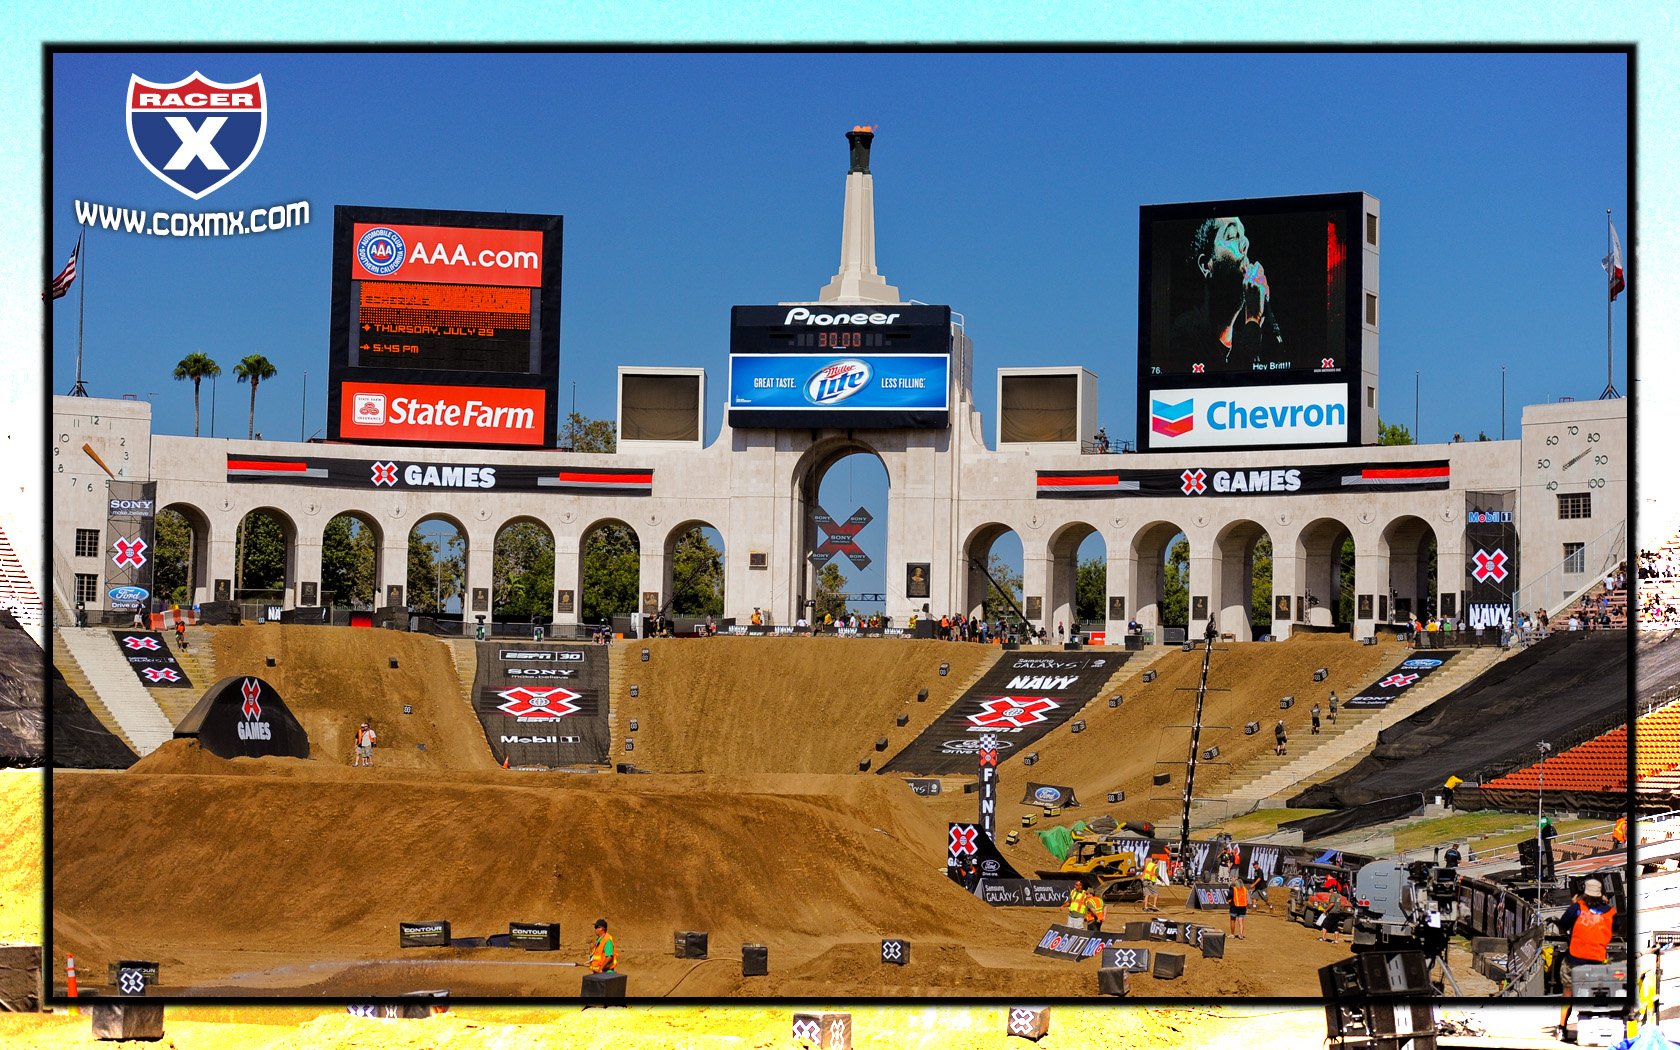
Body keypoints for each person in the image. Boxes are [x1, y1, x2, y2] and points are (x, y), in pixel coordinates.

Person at [1166, 215, 1286, 374]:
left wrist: (1262, 317)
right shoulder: (1184, 333)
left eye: (1243, 235)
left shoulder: (1241, 340)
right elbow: (1234, 384)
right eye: (1232, 236)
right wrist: (1253, 319)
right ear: (1206, 265)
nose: (1245, 243)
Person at [1557, 879, 1617, 1034]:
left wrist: (1575, 904)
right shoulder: (1610, 912)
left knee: (1568, 992)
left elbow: (1562, 925)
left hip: (1574, 960)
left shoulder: (1577, 908)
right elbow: (1614, 930)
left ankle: (1562, 1027)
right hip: (1597, 962)